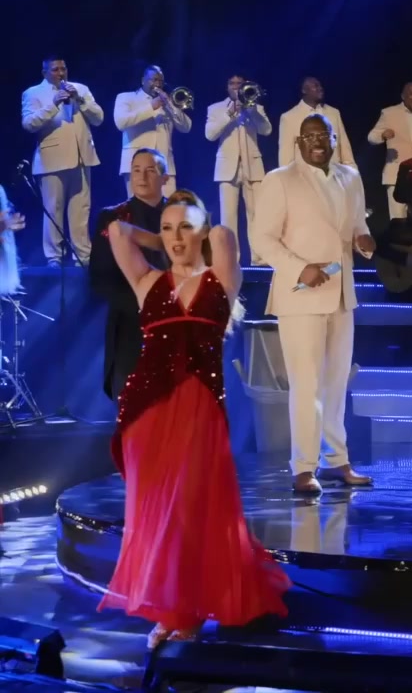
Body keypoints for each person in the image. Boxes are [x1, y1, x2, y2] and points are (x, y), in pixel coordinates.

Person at [100, 193, 288, 649]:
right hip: (146, 411)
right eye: (167, 228)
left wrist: (190, 227)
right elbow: (117, 231)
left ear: (202, 231)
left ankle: (190, 607)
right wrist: (162, 237)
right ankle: (170, 610)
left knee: (190, 508)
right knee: (155, 512)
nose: (175, 237)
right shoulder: (147, 280)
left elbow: (223, 235)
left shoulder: (220, 278)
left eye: (185, 227)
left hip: (200, 409)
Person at [250, 113, 376, 494]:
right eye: (310, 136)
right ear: (298, 142)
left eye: (324, 135)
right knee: (307, 385)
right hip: (301, 295)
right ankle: (303, 467)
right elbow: (262, 238)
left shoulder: (350, 177)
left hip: (341, 293)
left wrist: (363, 239)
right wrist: (300, 268)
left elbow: (357, 225)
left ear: (335, 139)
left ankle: (337, 460)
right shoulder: (280, 179)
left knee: (336, 384)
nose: (317, 141)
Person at [88, 149, 172, 399]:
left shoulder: (180, 217)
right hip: (129, 327)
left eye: (150, 171)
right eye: (136, 170)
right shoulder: (113, 217)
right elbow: (100, 278)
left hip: (174, 326)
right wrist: (143, 305)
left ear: (165, 178)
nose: (141, 177)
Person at [21, 55, 104, 266]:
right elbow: (29, 124)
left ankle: (82, 256)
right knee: (53, 209)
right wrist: (53, 104)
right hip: (52, 160)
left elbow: (98, 118)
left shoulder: (80, 89)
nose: (61, 73)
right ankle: (54, 257)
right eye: (55, 69)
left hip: (82, 157)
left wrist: (80, 100)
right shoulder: (33, 93)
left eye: (63, 69)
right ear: (45, 73)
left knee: (81, 209)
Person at [205, 74, 272, 264]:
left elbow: (266, 130)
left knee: (257, 215)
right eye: (232, 84)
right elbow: (210, 134)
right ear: (227, 87)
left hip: (253, 167)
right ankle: (230, 261)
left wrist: (251, 110)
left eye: (239, 84)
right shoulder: (216, 108)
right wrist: (230, 114)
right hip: (227, 168)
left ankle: (259, 260)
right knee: (228, 218)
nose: (236, 87)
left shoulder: (256, 107)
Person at [114, 65, 191, 197]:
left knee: (168, 207)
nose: (158, 84)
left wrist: (171, 105)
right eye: (154, 80)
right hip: (136, 166)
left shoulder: (167, 102)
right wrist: (151, 106)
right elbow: (121, 122)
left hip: (165, 168)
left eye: (161, 81)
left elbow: (186, 127)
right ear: (143, 80)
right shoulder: (126, 98)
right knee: (138, 207)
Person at [368, 82, 412, 219]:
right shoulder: (389, 113)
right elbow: (371, 137)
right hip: (396, 175)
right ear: (403, 96)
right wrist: (382, 135)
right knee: (398, 219)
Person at [278, 77, 356, 168]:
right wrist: (287, 176)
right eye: (316, 86)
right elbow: (286, 158)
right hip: (305, 175)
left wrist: (353, 171)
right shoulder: (289, 117)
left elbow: (345, 148)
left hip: (333, 173)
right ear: (304, 90)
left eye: (321, 86)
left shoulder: (334, 113)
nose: (320, 88)